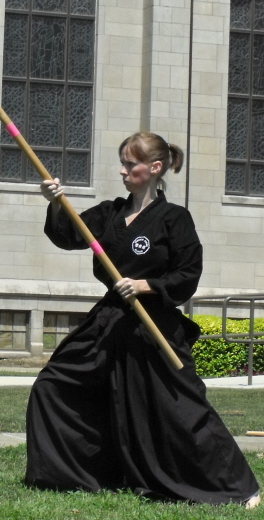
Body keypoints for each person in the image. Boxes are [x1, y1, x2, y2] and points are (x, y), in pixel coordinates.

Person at [26, 132, 260, 508]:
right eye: (122, 163)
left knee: (180, 409)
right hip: (108, 322)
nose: (122, 171)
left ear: (154, 168)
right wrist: (56, 203)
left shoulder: (174, 219)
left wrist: (145, 285)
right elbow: (69, 234)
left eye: (130, 164)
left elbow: (188, 274)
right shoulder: (110, 212)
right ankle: (90, 474)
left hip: (153, 327)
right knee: (53, 385)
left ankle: (237, 486)